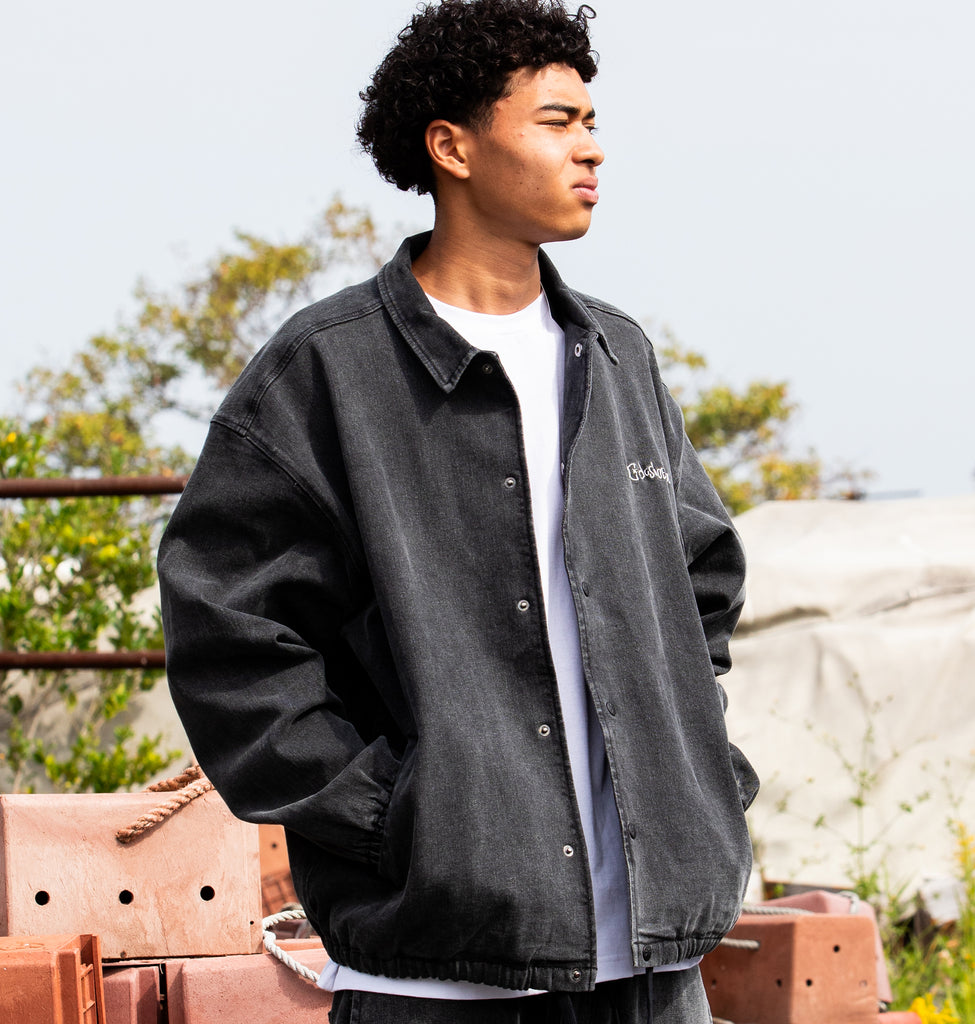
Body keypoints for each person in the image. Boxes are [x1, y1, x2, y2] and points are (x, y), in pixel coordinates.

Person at [158, 2, 759, 1021]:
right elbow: (229, 637)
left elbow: (700, 584)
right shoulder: (327, 371)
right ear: (453, 147)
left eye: (592, 122)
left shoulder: (617, 357)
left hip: (652, 971)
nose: (592, 149)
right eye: (557, 122)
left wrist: (695, 770)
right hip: (436, 971)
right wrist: (396, 817)